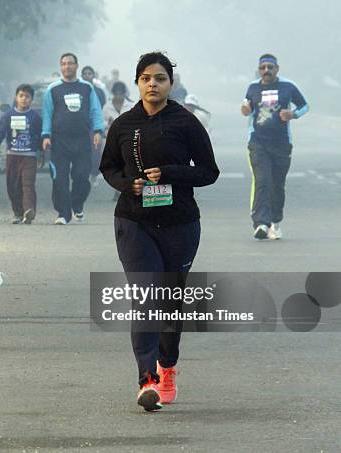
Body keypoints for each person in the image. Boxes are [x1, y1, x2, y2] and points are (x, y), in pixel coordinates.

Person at [100, 52, 219, 412]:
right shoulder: (123, 124)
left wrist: (170, 172)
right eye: (147, 78)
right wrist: (127, 185)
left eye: (161, 78)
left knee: (169, 303)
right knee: (146, 296)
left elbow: (209, 172)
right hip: (134, 222)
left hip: (179, 223)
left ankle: (167, 368)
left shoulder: (186, 123)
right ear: (138, 83)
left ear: (171, 83)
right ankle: (146, 379)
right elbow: (108, 168)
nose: (153, 84)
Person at [241, 54, 309, 240]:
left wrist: (293, 114)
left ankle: (274, 222)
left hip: (281, 143)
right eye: (263, 68)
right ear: (259, 70)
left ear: (277, 69)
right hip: (258, 142)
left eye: (270, 67)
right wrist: (245, 109)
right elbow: (246, 105)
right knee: (262, 180)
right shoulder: (253, 87)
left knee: (277, 184)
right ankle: (260, 223)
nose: (266, 71)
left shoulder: (288, 86)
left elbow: (305, 106)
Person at [42, 53, 104, 225]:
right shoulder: (53, 89)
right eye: (63, 64)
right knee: (59, 178)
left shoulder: (87, 88)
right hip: (59, 141)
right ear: (60, 67)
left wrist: (98, 131)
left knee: (82, 177)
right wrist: (45, 135)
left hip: (82, 139)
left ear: (77, 66)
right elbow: (47, 113)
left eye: (70, 63)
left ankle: (77, 203)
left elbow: (95, 110)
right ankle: (63, 213)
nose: (67, 66)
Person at [0, 84, 42, 224]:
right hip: (12, 155)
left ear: (31, 99)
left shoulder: (35, 117)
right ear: (16, 97)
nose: (24, 99)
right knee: (13, 185)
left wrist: (41, 153)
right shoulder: (8, 115)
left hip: (29, 156)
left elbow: (40, 136)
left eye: (27, 96)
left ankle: (29, 210)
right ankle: (18, 213)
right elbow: (0, 131)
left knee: (28, 184)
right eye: (21, 96)